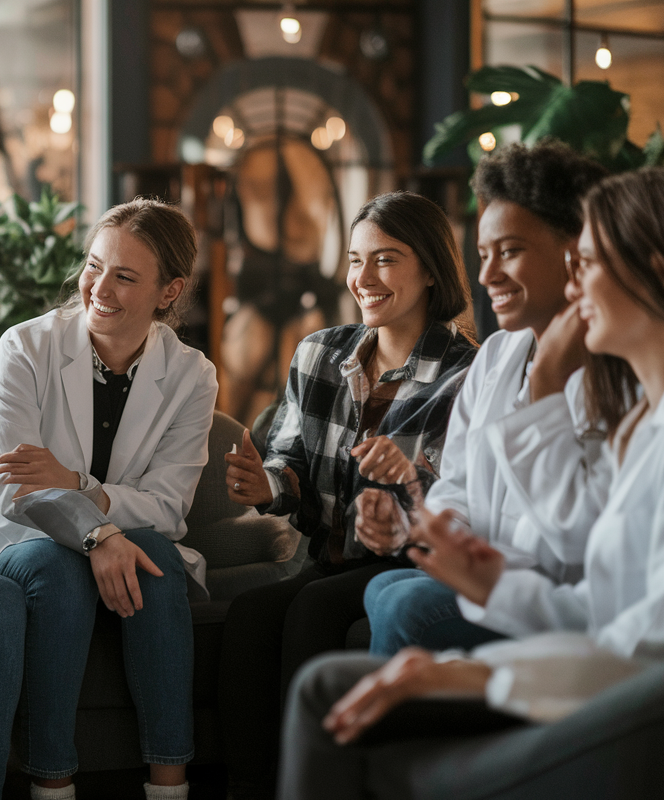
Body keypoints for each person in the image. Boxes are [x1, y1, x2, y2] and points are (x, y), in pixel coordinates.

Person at [279, 166, 664, 799]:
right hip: (597, 677)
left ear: (662, 272)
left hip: (634, 730)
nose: (576, 282)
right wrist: (481, 580)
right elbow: (605, 611)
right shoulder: (661, 413)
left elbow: (649, 653)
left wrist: (479, 677)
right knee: (335, 672)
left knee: (364, 666)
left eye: (589, 263)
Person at [217, 190, 479, 799]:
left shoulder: (466, 376)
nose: (365, 278)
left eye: (386, 260)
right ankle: (249, 786)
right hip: (329, 559)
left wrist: (400, 493)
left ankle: (307, 785)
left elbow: (458, 500)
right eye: (357, 260)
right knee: (251, 616)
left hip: (407, 565)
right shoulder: (319, 353)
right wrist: (268, 484)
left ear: (432, 269)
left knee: (313, 610)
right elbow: (290, 463)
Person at [0, 198, 218, 800]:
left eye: (125, 276)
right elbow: (14, 488)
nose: (99, 288)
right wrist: (98, 533)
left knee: (155, 556)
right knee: (58, 567)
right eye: (95, 266)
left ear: (169, 290)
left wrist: (76, 484)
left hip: (131, 543)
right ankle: (53, 786)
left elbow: (168, 507)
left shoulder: (190, 376)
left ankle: (169, 786)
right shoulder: (26, 348)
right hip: (27, 544)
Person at [363, 142, 611, 657]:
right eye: (483, 255)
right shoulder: (497, 354)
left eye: (510, 251)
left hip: (556, 596)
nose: (487, 276)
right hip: (486, 571)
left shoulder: (617, 369)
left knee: (403, 606)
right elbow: (457, 486)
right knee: (382, 587)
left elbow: (582, 541)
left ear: (576, 251)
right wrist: (438, 530)